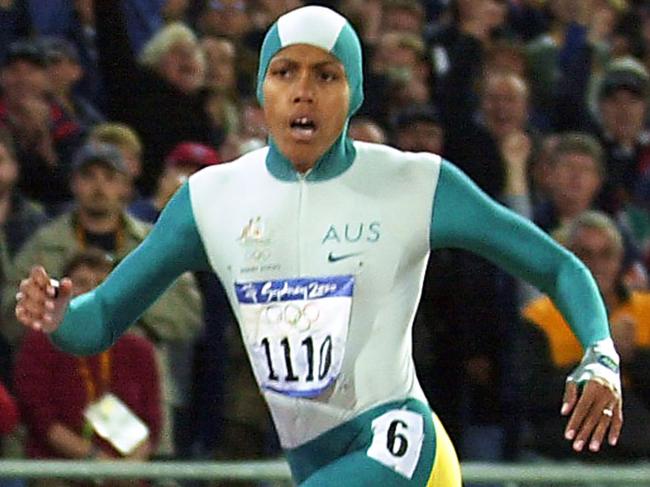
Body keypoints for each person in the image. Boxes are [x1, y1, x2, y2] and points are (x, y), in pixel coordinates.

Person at [15, 6, 622, 486]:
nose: (304, 91)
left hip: (403, 448)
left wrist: (600, 353)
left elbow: (556, 264)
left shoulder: (414, 182)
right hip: (311, 462)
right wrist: (59, 315)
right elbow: (99, 322)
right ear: (262, 94)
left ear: (354, 93)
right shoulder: (210, 200)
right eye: (286, 72)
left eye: (325, 75)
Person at [14, 249, 161, 487]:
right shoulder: (40, 341)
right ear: (63, 293)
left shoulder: (139, 349)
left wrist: (128, 469)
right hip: (59, 470)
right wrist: (96, 461)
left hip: (127, 474)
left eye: (102, 284)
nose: (92, 290)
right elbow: (40, 418)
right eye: (81, 283)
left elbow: (151, 422)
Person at [520, 211, 650, 460]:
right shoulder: (539, 317)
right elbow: (528, 394)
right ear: (569, 259)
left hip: (637, 457)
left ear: (620, 260)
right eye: (585, 255)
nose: (597, 264)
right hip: (560, 460)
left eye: (606, 254)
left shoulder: (646, 311)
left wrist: (634, 358)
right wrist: (599, 358)